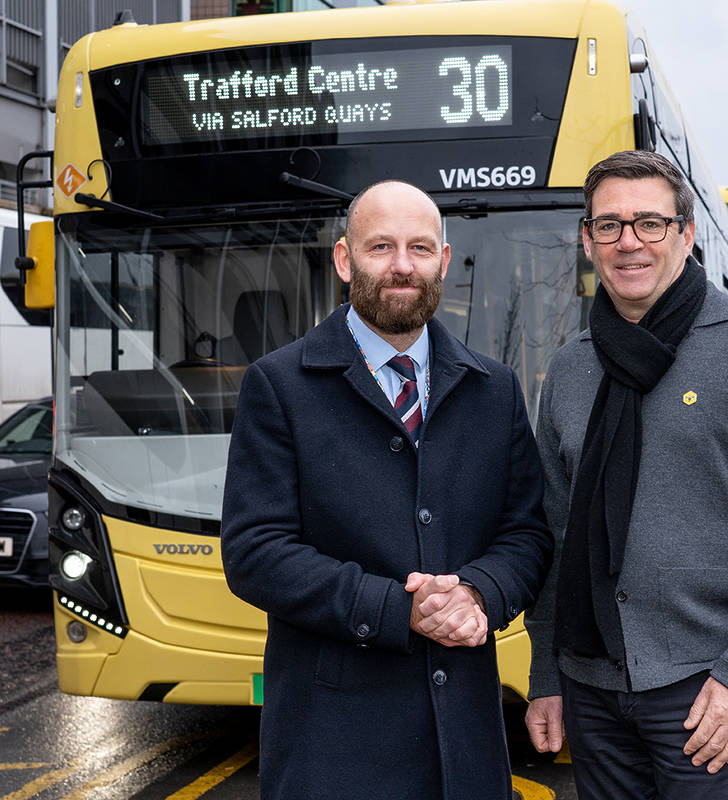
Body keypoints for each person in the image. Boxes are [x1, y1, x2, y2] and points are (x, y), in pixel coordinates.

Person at [220, 179, 553, 800]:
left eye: (420, 248)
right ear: (345, 260)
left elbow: (527, 532)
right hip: (333, 754)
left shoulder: (496, 390)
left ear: (444, 262)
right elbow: (255, 553)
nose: (403, 265)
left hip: (467, 755)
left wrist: (480, 595)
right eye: (381, 247)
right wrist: (399, 611)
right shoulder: (278, 386)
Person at [523, 150, 728, 799]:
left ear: (684, 235)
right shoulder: (571, 368)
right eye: (609, 225)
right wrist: (546, 674)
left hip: (706, 689)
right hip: (592, 692)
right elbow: (554, 535)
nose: (628, 242)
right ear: (587, 239)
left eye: (649, 223)